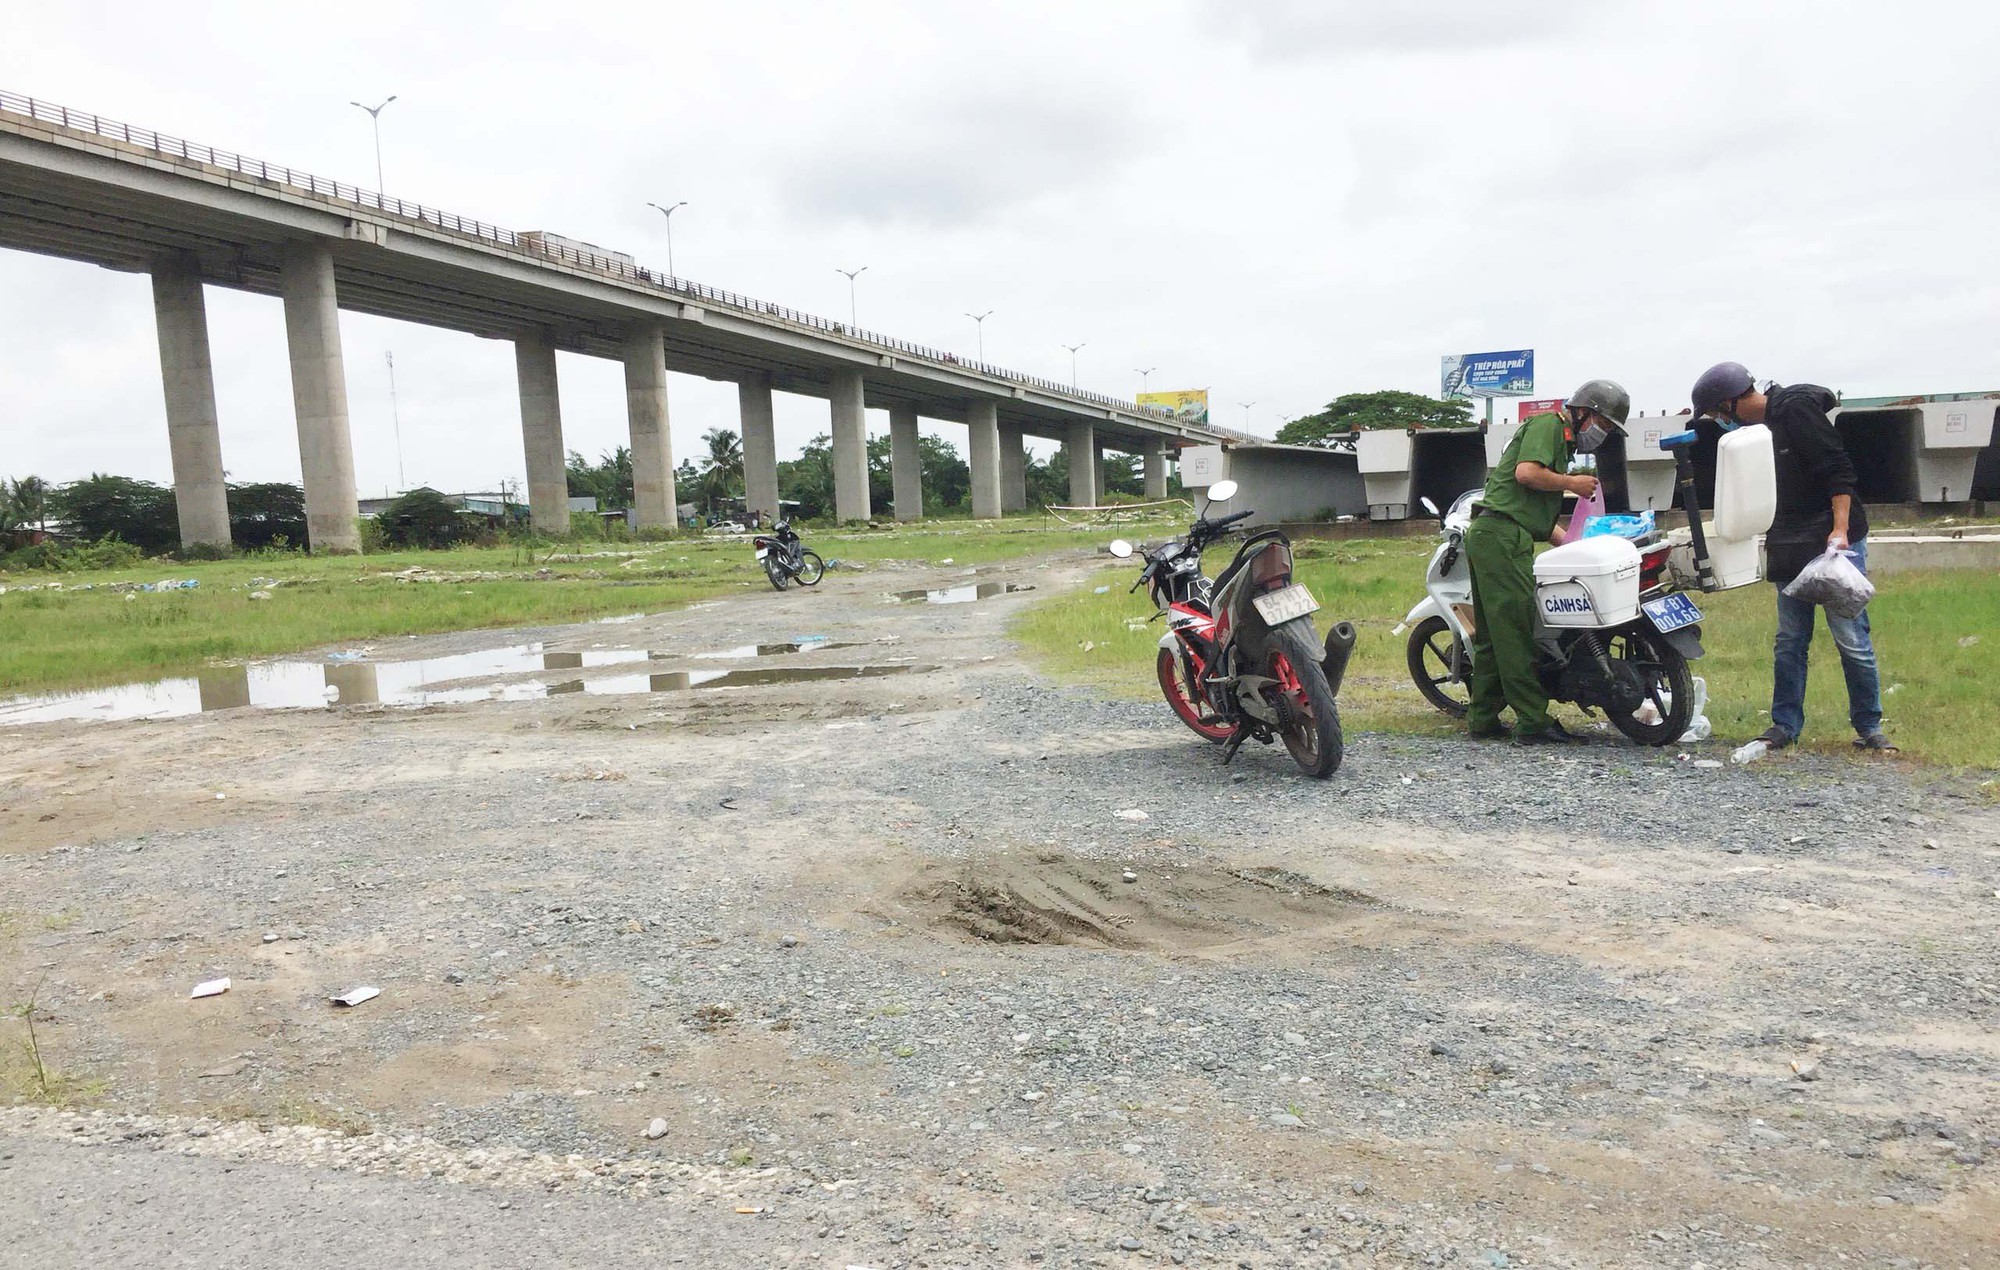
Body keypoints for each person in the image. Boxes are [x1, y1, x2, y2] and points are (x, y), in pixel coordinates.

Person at [1689, 363, 1895, 753]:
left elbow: (1838, 470)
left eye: (1718, 413)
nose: (1719, 422)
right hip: (1789, 542)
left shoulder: (1795, 410)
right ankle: (1784, 725)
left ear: (1731, 403)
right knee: (1790, 640)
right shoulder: (1753, 436)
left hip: (1833, 543)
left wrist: (1839, 530)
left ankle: (1869, 726)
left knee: (1851, 638)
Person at [1463, 379, 1626, 745]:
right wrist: (1573, 483)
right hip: (1501, 537)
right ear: (1585, 412)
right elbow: (1526, 474)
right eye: (1605, 425)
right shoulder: (1548, 425)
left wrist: (1569, 543)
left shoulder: (1561, 442)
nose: (1604, 433)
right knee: (1516, 633)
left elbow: (1528, 507)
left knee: (1493, 636)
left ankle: (1483, 718)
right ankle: (1533, 720)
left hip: (1497, 533)